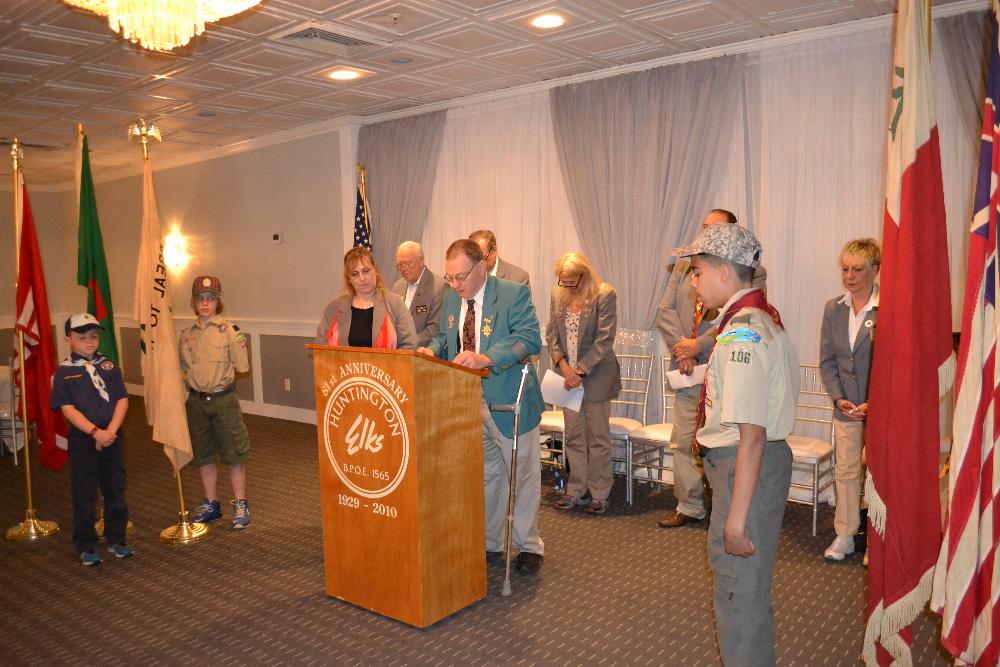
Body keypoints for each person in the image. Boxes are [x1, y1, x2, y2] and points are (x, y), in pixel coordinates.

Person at [672, 223, 798, 666]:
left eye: (698, 271)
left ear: (725, 272)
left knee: (738, 593)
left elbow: (752, 436)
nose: (694, 282)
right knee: (745, 592)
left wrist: (736, 521)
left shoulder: (743, 332)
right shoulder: (756, 320)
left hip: (743, 468)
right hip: (746, 466)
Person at [417, 239, 545, 574]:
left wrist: (486, 358)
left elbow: (529, 339)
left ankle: (528, 546)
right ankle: (491, 543)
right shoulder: (450, 298)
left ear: (481, 267)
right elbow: (447, 337)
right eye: (450, 277)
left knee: (522, 476)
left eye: (460, 277)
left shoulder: (513, 293)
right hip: (469, 401)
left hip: (511, 400)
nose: (455, 284)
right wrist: (433, 349)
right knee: (488, 475)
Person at [656, 209, 767, 528]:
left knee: (724, 441)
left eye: (713, 230)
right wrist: (683, 349)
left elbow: (739, 317)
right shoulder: (684, 265)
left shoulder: (752, 271)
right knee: (682, 440)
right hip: (686, 368)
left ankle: (726, 507)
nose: (705, 234)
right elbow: (665, 310)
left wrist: (699, 345)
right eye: (703, 228)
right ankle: (689, 505)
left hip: (723, 368)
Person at [51, 313, 132, 565]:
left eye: (94, 336)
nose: (89, 342)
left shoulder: (108, 366)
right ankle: (86, 544)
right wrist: (96, 432)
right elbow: (68, 409)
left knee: (115, 489)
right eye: (82, 337)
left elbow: (122, 399)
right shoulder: (64, 372)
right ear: (68, 339)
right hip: (84, 439)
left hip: (112, 435)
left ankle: (116, 538)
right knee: (84, 492)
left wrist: (110, 431)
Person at [545, 252, 621, 515]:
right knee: (574, 436)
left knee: (598, 438)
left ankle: (599, 491)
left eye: (571, 281)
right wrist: (564, 367)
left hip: (596, 376)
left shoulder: (604, 294)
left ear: (584, 275)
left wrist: (580, 370)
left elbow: (604, 339)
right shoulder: (558, 294)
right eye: (562, 280)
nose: (566, 285)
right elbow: (552, 334)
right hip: (568, 377)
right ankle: (576, 488)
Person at [819, 238, 879, 562]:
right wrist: (838, 398)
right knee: (846, 471)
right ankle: (845, 534)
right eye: (845, 269)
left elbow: (894, 364)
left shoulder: (888, 306)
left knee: (878, 473)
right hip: (846, 408)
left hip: (880, 409)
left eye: (857, 269)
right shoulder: (833, 308)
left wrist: (875, 402)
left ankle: (876, 540)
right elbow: (828, 361)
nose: (849, 276)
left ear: (875, 270)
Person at [181, 276, 253, 529]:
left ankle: (240, 503)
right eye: (200, 298)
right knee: (204, 455)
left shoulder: (230, 331)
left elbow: (242, 366)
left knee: (234, 454)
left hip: (223, 401)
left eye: (210, 299)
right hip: (196, 402)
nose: (205, 303)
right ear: (193, 302)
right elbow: (183, 370)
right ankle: (211, 503)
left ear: (218, 302)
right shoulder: (186, 335)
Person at [317, 247, 418, 350]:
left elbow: (409, 345)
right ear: (349, 279)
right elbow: (320, 350)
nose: (362, 278)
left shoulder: (395, 304)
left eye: (366, 271)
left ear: (375, 270)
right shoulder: (333, 309)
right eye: (355, 274)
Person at [391, 241, 450, 348]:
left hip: (424, 352)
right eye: (400, 265)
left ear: (421, 261)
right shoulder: (397, 287)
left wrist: (407, 345)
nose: (403, 268)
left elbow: (435, 329)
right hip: (399, 351)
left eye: (407, 263)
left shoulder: (439, 287)